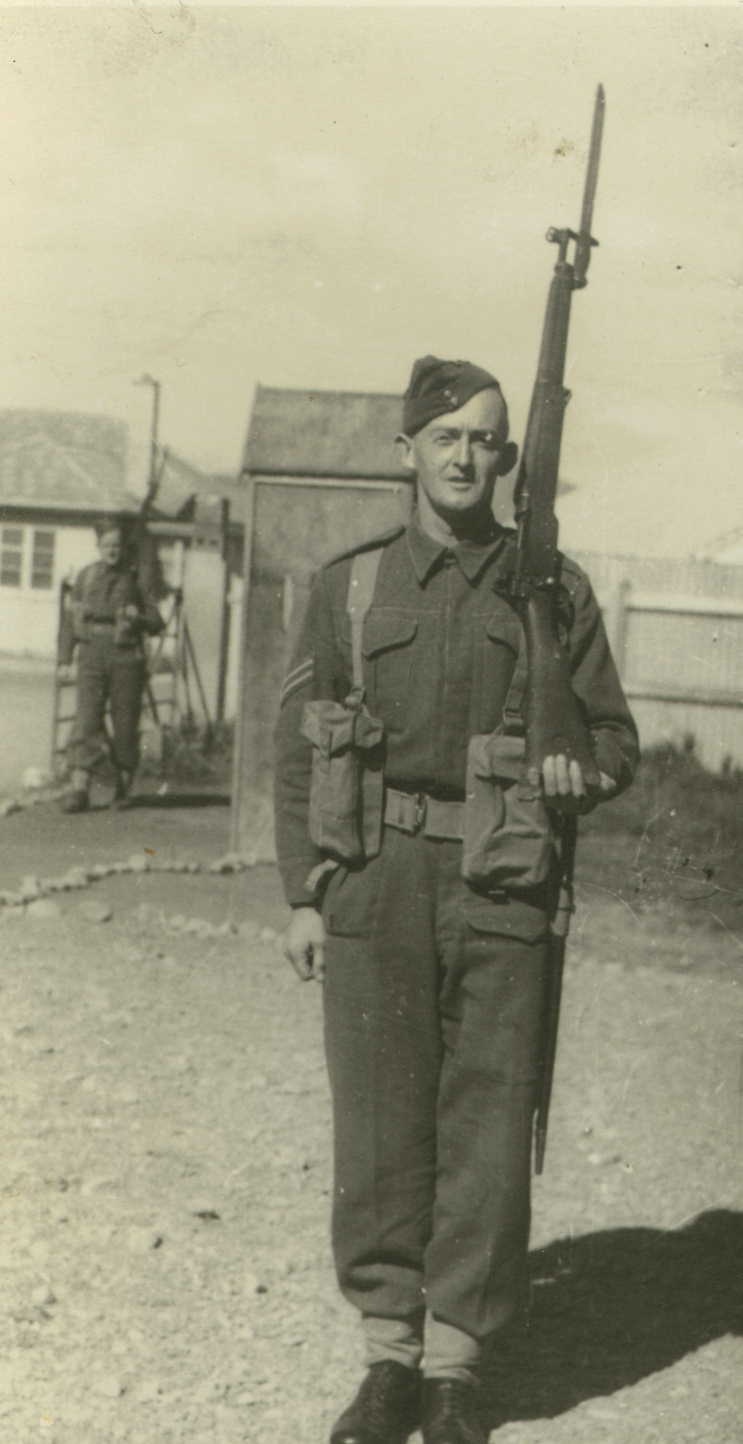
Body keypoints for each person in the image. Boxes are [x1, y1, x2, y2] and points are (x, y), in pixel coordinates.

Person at [274, 356, 639, 1444]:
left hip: (502, 884)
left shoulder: (551, 589)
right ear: (406, 452)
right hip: (374, 881)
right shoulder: (350, 586)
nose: (464, 456)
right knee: (380, 1119)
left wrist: (585, 770)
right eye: (443, 438)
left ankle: (454, 1373)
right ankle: (388, 1359)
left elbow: (613, 738)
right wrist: (302, 895)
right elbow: (300, 759)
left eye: (483, 439)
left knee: (485, 1120)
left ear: (507, 457)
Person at [58, 519, 164, 813]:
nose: (112, 551)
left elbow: (157, 622)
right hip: (91, 653)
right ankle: (80, 787)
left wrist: (138, 617)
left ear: (124, 548)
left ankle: (122, 787)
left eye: (116, 545)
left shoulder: (137, 580)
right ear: (98, 546)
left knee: (125, 723)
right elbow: (70, 621)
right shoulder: (86, 577)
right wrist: (65, 658)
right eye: (106, 545)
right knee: (86, 719)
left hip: (125, 657)